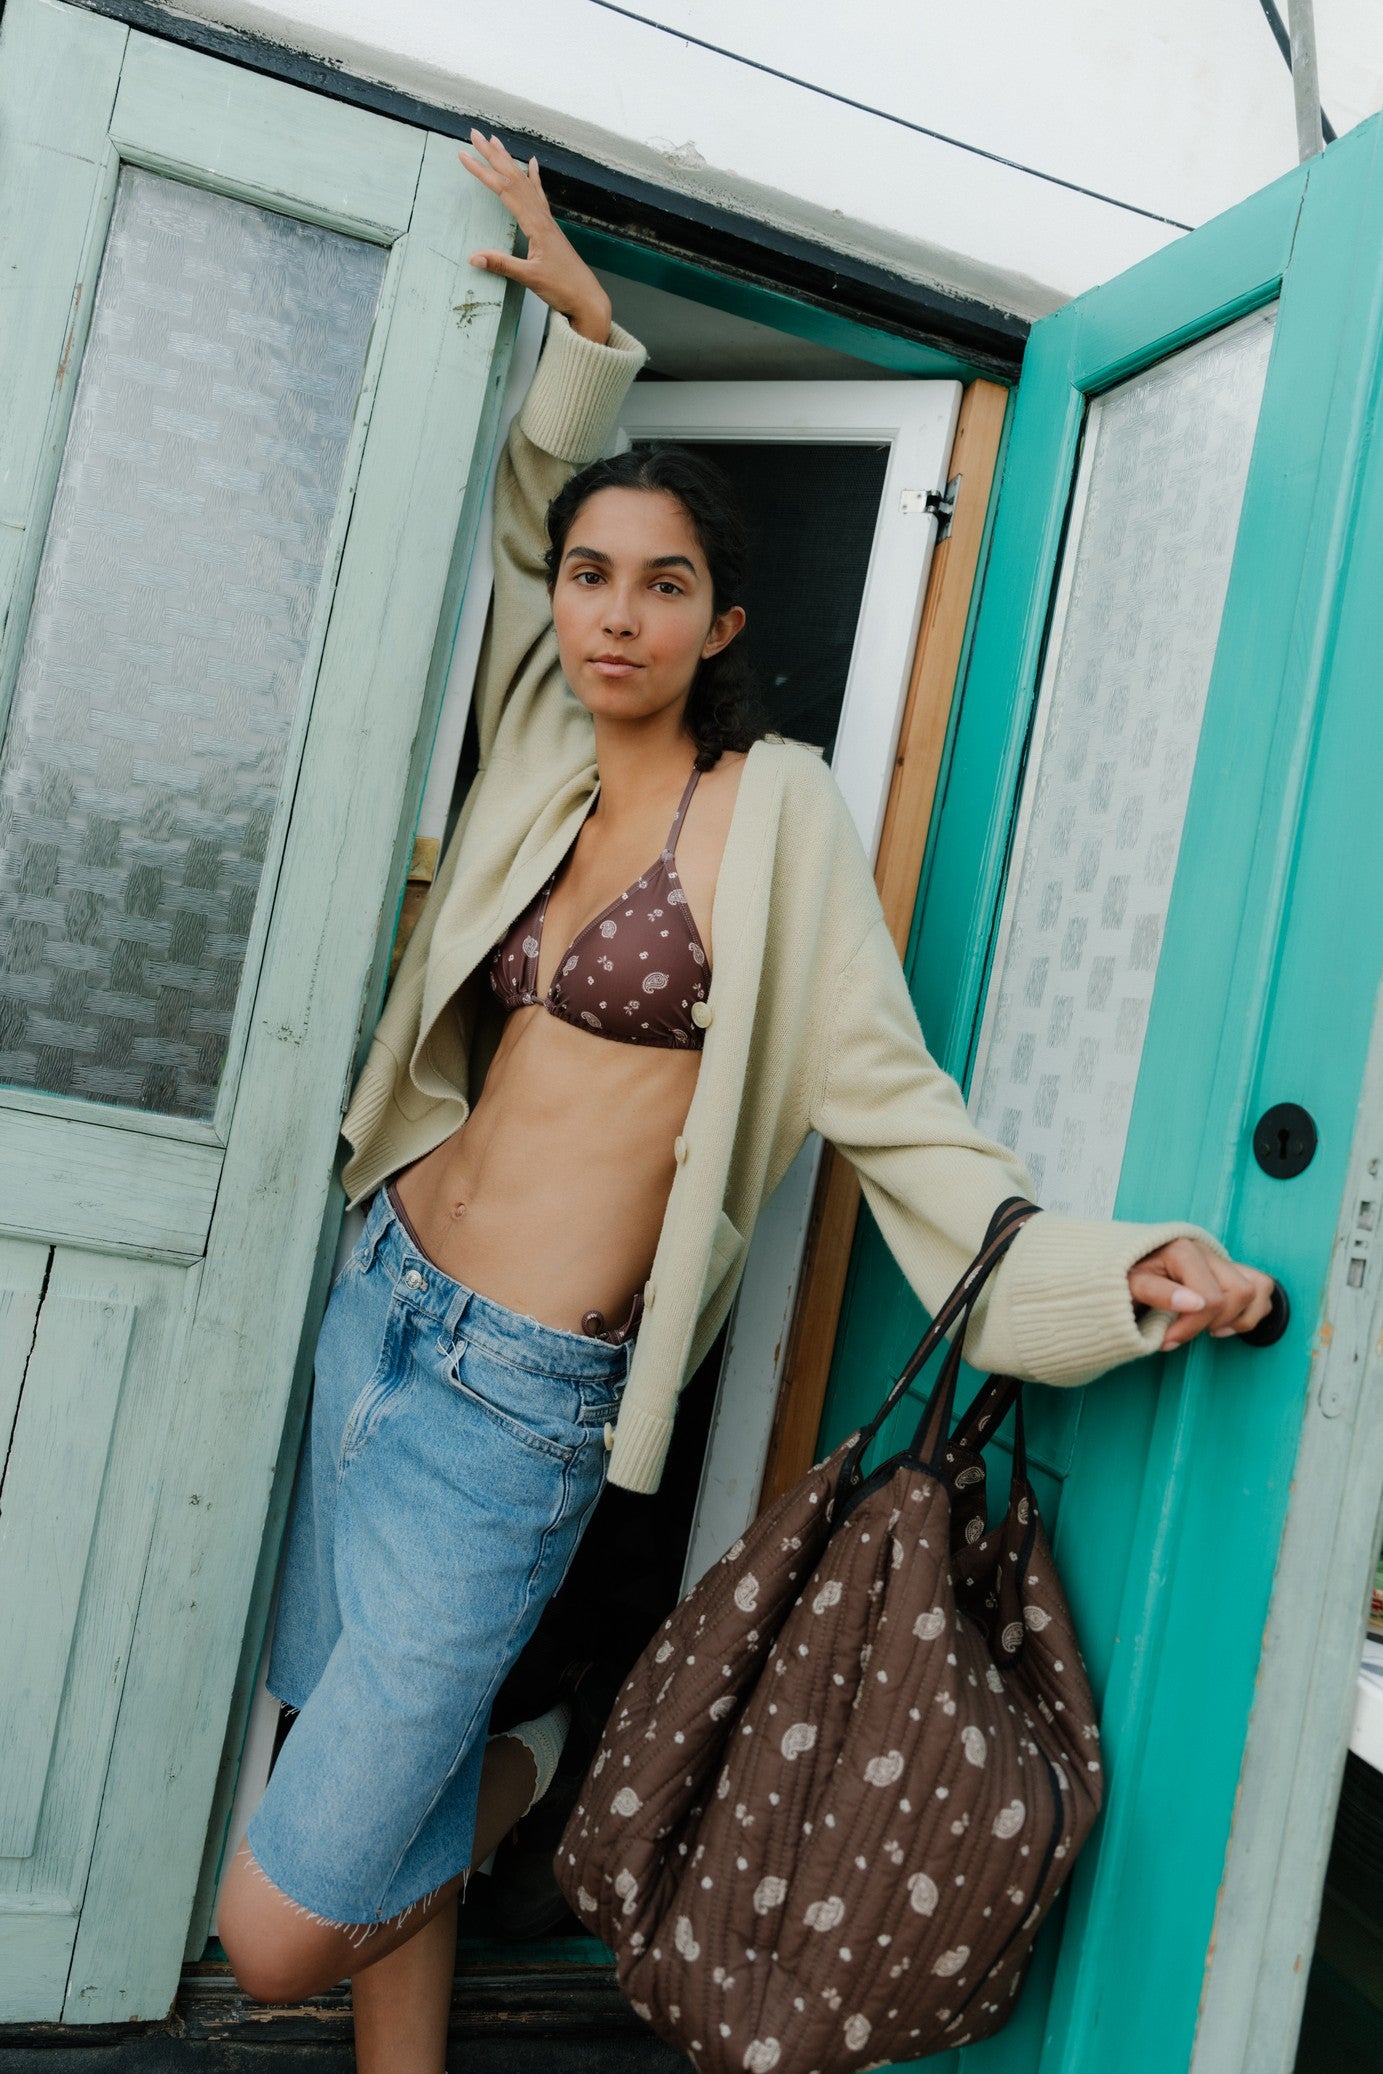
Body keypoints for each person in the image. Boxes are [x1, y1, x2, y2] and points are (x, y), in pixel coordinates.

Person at [218, 134, 1275, 2070]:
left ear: (723, 620)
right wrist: (587, 331)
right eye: (589, 578)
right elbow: (543, 479)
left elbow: (895, 1110)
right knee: (343, 1749)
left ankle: (562, 1746)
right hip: (379, 1303)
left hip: (516, 1393)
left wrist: (1116, 1277)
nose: (612, 613)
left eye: (664, 585)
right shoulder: (542, 730)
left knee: (276, 1922)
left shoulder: (775, 817)